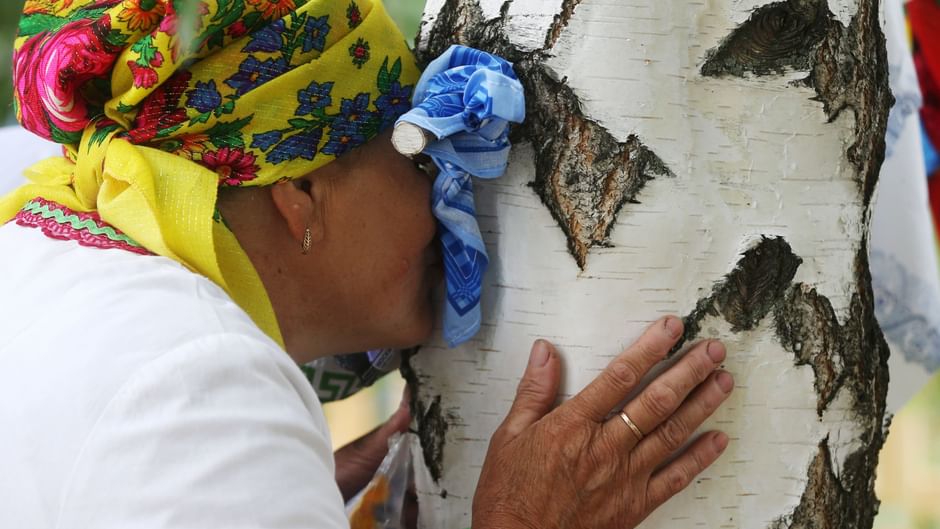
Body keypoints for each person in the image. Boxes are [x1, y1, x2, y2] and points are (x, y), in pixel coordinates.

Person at [0, 1, 734, 528]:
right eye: (417, 158)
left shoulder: (44, 258)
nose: (452, 202)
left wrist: (281, 494)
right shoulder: (202, 387)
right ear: (300, 195)